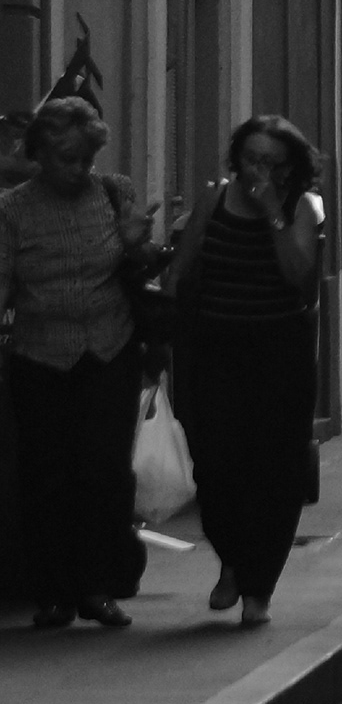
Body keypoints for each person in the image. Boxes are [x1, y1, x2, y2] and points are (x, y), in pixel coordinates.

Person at [0, 97, 152, 628]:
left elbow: (140, 264)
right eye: (68, 159)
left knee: (105, 473)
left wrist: (136, 246)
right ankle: (53, 593)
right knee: (47, 475)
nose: (79, 170)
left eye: (87, 159)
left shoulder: (113, 192)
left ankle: (97, 588)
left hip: (109, 350)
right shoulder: (13, 210)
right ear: (40, 154)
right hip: (40, 357)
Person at [170, 115, 323, 628]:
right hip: (217, 352)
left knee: (275, 475)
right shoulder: (214, 199)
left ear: (290, 168)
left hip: (279, 357)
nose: (260, 171)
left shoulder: (301, 208)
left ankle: (259, 589)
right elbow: (183, 269)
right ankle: (232, 560)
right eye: (252, 159)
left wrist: (273, 212)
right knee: (215, 469)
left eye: (273, 163)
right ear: (237, 158)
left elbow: (297, 274)